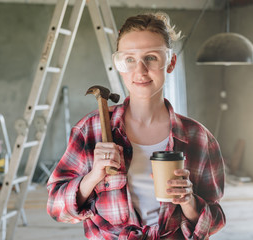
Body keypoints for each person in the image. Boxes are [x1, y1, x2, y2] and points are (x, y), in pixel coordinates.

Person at [47, 12, 226, 239]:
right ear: (119, 65)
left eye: (151, 57)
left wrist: (188, 201)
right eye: (129, 59)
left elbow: (215, 220)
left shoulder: (199, 138)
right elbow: (56, 208)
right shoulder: (90, 130)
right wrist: (93, 176)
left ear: (170, 63)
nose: (140, 70)